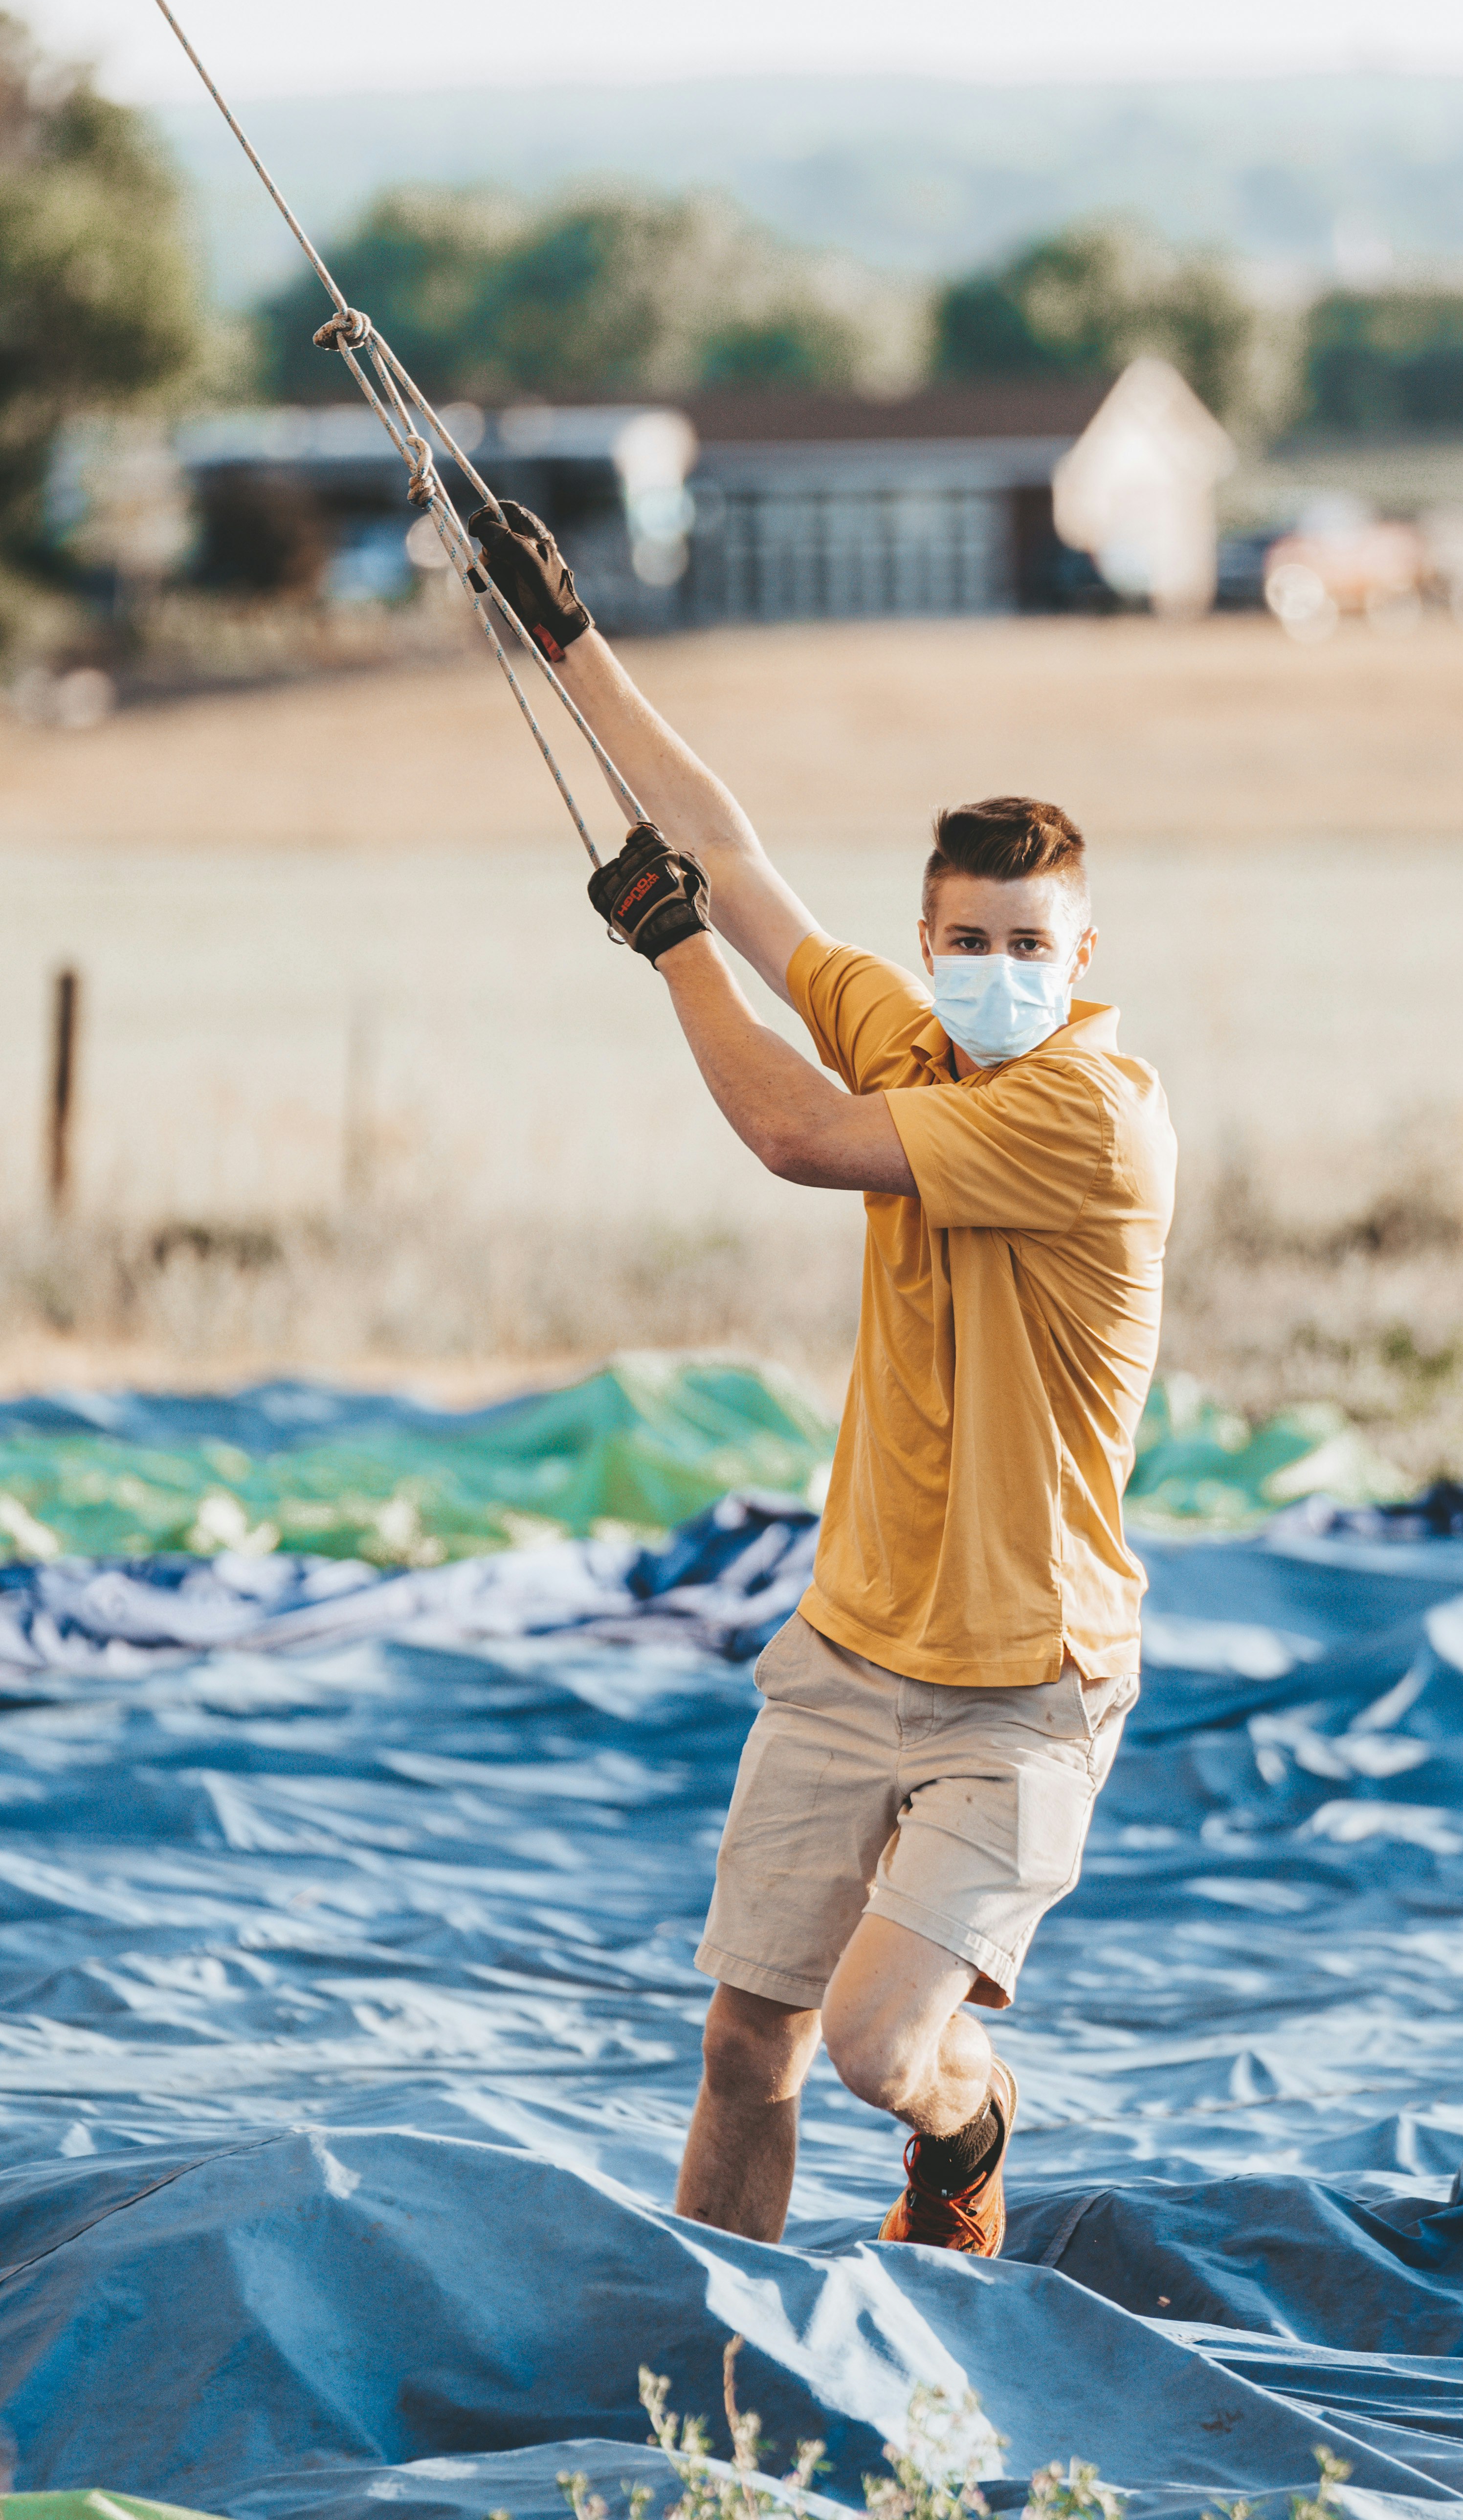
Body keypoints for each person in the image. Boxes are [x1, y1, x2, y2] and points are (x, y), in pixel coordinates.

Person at [472, 500, 1177, 2257]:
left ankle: (969, 2125)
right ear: (930, 943)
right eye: (970, 940)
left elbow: (790, 1133)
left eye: (1033, 944)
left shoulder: (1089, 1114)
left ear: (1081, 960)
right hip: (853, 1640)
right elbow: (729, 846)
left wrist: (674, 952)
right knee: (744, 2046)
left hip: (1029, 1683)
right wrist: (567, 638)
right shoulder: (919, 1033)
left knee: (877, 2050)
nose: (998, 970)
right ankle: (732, 2371)